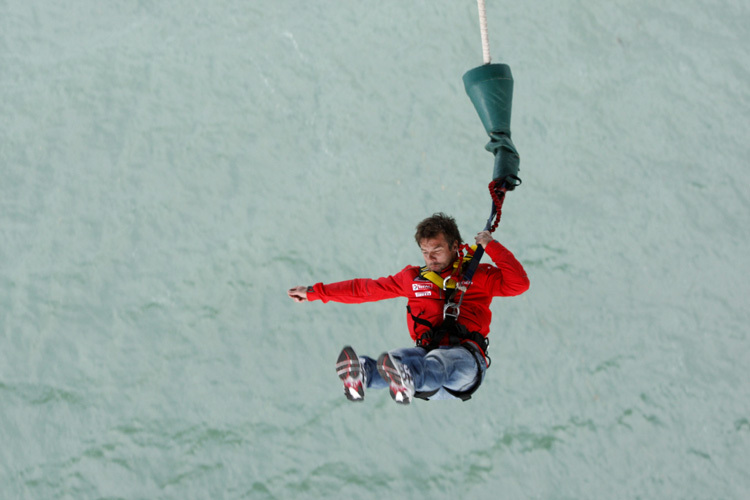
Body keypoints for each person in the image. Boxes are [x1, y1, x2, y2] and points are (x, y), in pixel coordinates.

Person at [287, 213, 529, 404]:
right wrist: (313, 292)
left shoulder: (479, 275)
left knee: (437, 361)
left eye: (437, 250)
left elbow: (519, 283)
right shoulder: (413, 279)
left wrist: (491, 244)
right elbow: (364, 289)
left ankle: (407, 378)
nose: (430, 258)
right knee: (397, 358)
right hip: (425, 364)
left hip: (465, 366)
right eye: (425, 252)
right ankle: (363, 373)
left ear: (455, 246)